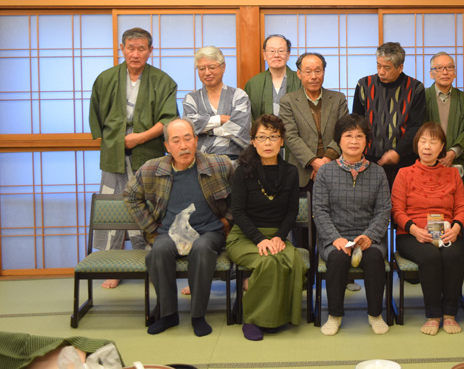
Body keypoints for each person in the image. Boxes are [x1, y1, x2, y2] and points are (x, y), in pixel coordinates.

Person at [124, 118, 234, 337]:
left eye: (187, 138)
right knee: (159, 249)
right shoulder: (152, 169)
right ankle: (168, 314)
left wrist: (228, 220)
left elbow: (240, 193)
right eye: (176, 141)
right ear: (167, 146)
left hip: (209, 232)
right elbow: (131, 195)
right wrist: (151, 227)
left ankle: (198, 316)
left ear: (196, 140)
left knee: (202, 248)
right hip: (169, 232)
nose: (183, 146)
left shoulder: (219, 165)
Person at [89, 27, 177, 289]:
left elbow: (168, 119)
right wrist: (115, 138)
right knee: (112, 202)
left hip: (147, 152)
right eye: (131, 48)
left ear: (150, 50)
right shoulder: (105, 79)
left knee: (147, 206)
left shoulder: (163, 81)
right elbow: (97, 114)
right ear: (122, 48)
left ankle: (148, 262)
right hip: (114, 152)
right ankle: (113, 266)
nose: (135, 54)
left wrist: (140, 137)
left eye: (141, 49)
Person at [312, 114, 392, 336]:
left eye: (359, 136)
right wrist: (335, 238)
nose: (354, 141)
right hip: (335, 237)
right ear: (339, 140)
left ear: (367, 141)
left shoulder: (378, 172)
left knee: (374, 258)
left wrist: (369, 236)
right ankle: (334, 315)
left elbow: (383, 210)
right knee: (337, 258)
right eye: (348, 136)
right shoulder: (325, 172)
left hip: (369, 238)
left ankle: (375, 315)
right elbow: (320, 210)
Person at [225, 114, 303, 341]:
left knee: (293, 260)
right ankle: (252, 318)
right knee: (268, 261)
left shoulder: (290, 172)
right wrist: (260, 239)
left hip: (276, 235)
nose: (268, 143)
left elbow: (291, 211)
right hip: (244, 236)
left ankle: (276, 316)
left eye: (273, 137)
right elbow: (238, 213)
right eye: (262, 137)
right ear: (253, 141)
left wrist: (279, 237)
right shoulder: (242, 171)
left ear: (282, 141)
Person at [391, 122, 464, 335]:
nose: (427, 146)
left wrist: (456, 228)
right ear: (416, 145)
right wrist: (415, 230)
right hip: (411, 234)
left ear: (442, 146)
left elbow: (462, 207)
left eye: (433, 142)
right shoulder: (404, 173)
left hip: (447, 232)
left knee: (453, 255)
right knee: (430, 256)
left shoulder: (452, 174)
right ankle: (433, 315)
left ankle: (450, 314)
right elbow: (397, 210)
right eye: (423, 141)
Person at [352, 42, 426, 187]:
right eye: (378, 65)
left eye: (387, 67)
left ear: (400, 67)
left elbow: (416, 126)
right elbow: (357, 121)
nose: (381, 72)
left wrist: (398, 152)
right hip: (369, 158)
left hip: (404, 159)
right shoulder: (364, 85)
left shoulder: (415, 88)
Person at [279, 52, 348, 191]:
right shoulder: (288, 101)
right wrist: (314, 162)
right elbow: (290, 136)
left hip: (335, 167)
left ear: (324, 72)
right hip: (302, 170)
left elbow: (344, 132)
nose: (314, 76)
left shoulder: (338, 99)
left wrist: (326, 160)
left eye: (318, 71)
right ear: (299, 74)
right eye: (308, 72)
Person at [183, 46, 251, 161]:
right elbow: (189, 127)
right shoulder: (191, 98)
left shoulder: (239, 95)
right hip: (201, 160)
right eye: (201, 68)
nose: (207, 72)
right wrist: (220, 119)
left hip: (234, 159)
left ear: (223, 67)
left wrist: (208, 130)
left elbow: (240, 128)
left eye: (212, 67)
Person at [424, 52, 464, 192]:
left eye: (449, 67)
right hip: (428, 161)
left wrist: (453, 153)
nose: (445, 72)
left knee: (455, 200)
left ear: (454, 73)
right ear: (431, 74)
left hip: (456, 161)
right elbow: (417, 130)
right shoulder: (423, 97)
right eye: (439, 68)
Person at [244, 34, 301, 120]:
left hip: (293, 129)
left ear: (288, 54)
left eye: (281, 51)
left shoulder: (300, 80)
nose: (276, 55)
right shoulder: (253, 83)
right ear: (264, 54)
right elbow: (247, 117)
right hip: (262, 129)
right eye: (272, 51)